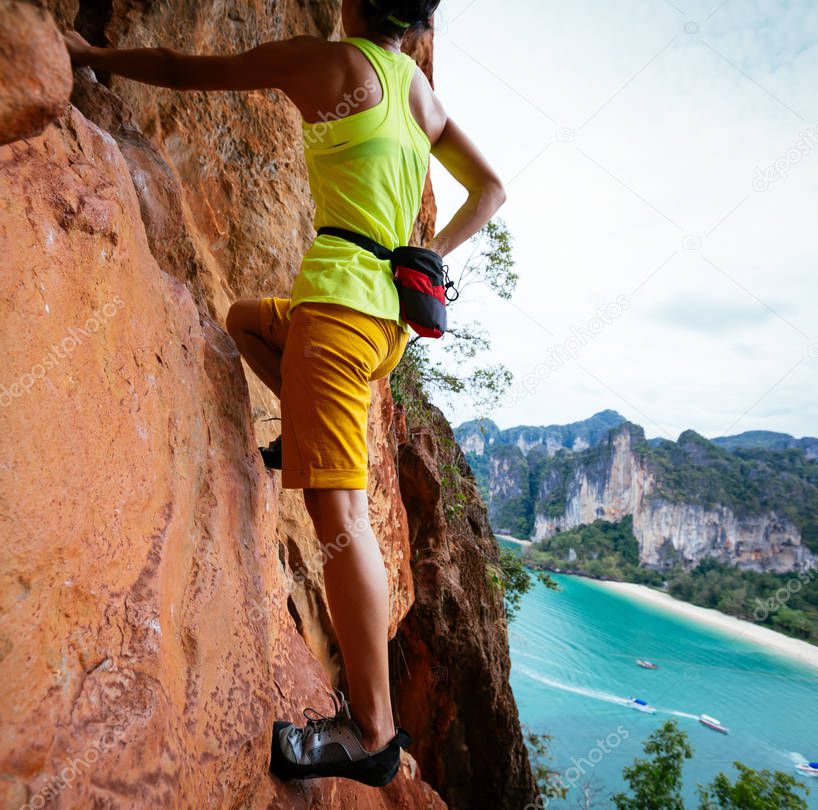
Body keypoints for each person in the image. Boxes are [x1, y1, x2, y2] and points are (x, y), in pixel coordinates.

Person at [63, 0, 505, 787]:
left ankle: (370, 733)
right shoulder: (419, 94)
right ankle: (297, 426)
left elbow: (180, 71)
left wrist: (87, 54)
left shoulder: (330, 65)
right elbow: (492, 190)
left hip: (340, 313)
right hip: (383, 323)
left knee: (339, 517)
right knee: (245, 320)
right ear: (418, 29)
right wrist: (427, 253)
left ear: (352, 2)